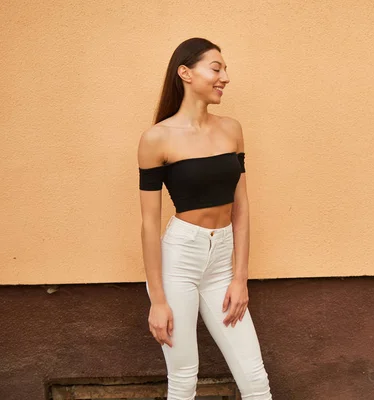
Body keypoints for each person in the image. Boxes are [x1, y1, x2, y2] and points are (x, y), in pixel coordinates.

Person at [137, 37, 272, 400]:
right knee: (184, 380)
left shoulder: (231, 129)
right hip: (179, 259)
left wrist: (240, 277)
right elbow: (150, 224)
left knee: (255, 379)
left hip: (222, 262)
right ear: (185, 72)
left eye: (225, 69)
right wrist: (158, 300)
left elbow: (241, 206)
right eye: (216, 68)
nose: (224, 77)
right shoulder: (156, 139)